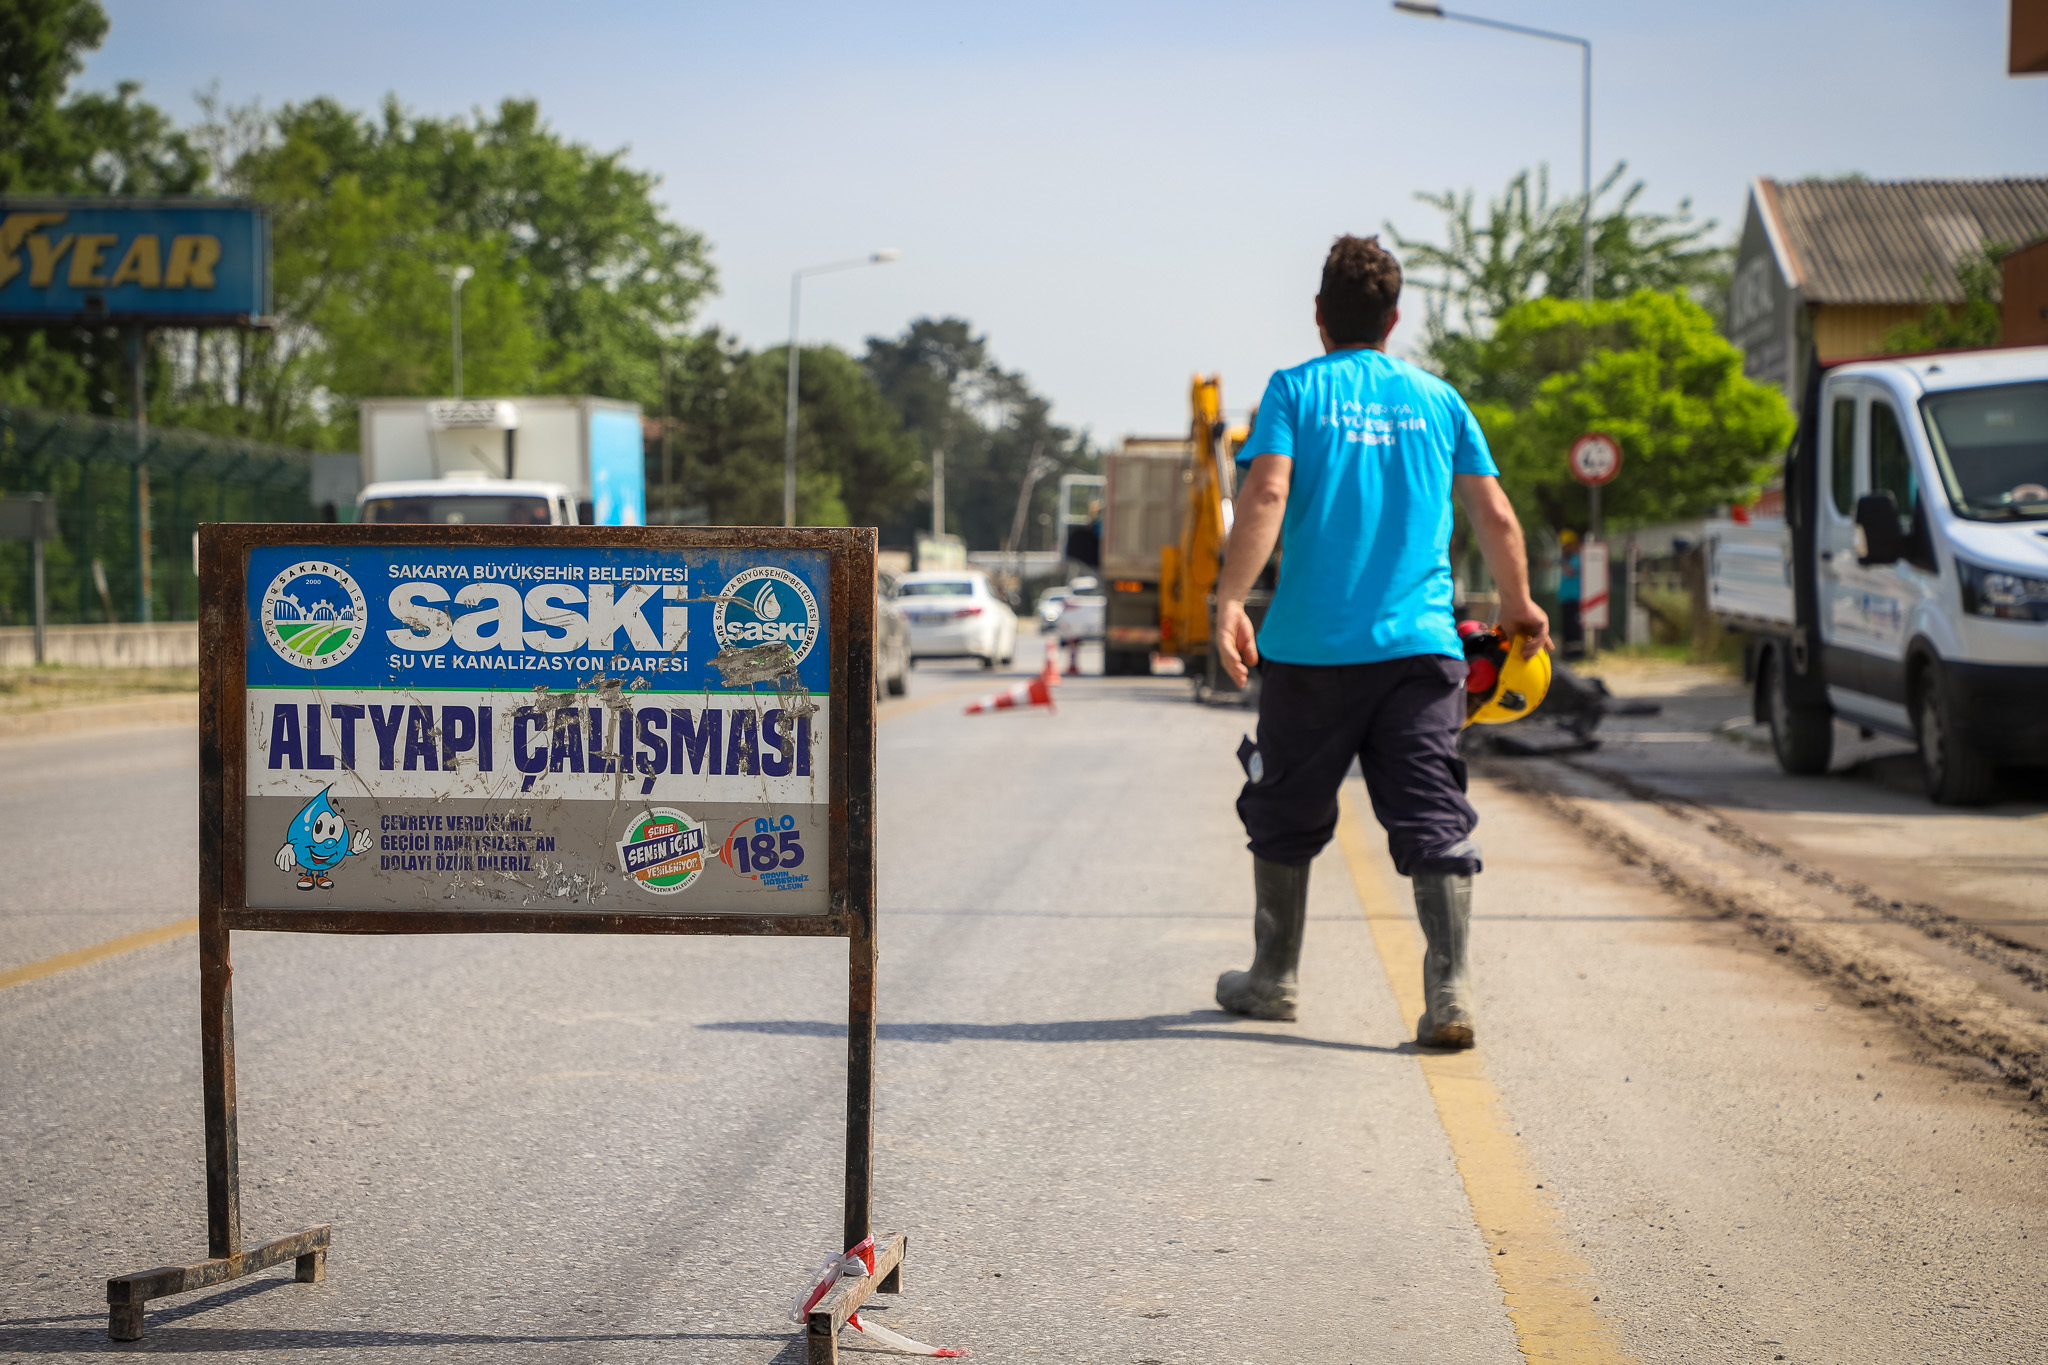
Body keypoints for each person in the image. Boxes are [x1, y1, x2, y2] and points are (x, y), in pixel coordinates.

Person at [1211, 234, 1550, 1049]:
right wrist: (1520, 603)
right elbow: (1495, 514)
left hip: (1312, 651)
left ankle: (1274, 978)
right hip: (1421, 652)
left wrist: (1229, 597)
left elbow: (1267, 489)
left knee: (1285, 805)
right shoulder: (1441, 401)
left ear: (1320, 314)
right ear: (1395, 319)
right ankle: (1451, 994)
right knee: (1431, 810)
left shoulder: (1294, 390)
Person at [1557, 529, 1584, 658]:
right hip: (1565, 597)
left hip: (1575, 597)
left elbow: (1569, 572)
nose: (1564, 548)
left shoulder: (1578, 558)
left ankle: (1576, 653)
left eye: (1566, 545)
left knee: (1574, 626)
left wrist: (1563, 560)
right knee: (1567, 626)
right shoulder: (1568, 559)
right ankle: (1567, 651)